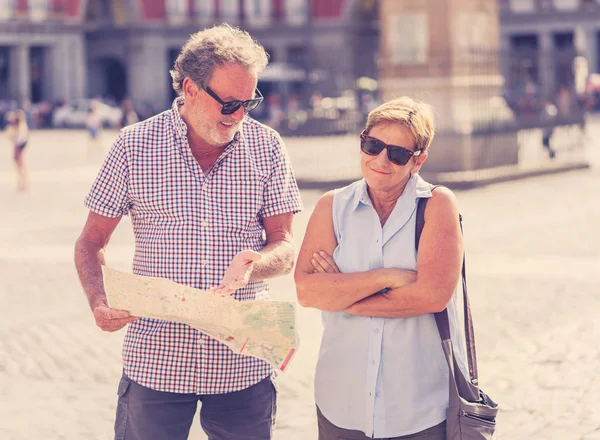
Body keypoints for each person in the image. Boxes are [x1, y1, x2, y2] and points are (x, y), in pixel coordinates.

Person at [74, 24, 303, 440]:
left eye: (249, 102)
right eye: (229, 103)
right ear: (190, 89)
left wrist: (256, 265)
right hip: (155, 361)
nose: (239, 115)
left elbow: (285, 246)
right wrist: (99, 301)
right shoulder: (133, 146)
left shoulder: (268, 147)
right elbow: (91, 242)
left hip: (243, 362)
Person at [294, 97, 468, 440]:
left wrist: (342, 294)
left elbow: (431, 296)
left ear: (417, 161)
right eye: (373, 145)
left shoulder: (436, 205)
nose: (381, 160)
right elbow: (306, 291)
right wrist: (388, 277)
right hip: (341, 402)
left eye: (397, 153)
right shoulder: (332, 206)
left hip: (417, 409)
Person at [6, 109, 30, 192]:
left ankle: (23, 182)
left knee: (20, 166)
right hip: (18, 147)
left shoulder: (20, 126)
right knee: (20, 166)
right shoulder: (20, 126)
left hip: (18, 148)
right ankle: (22, 182)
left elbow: (13, 137)